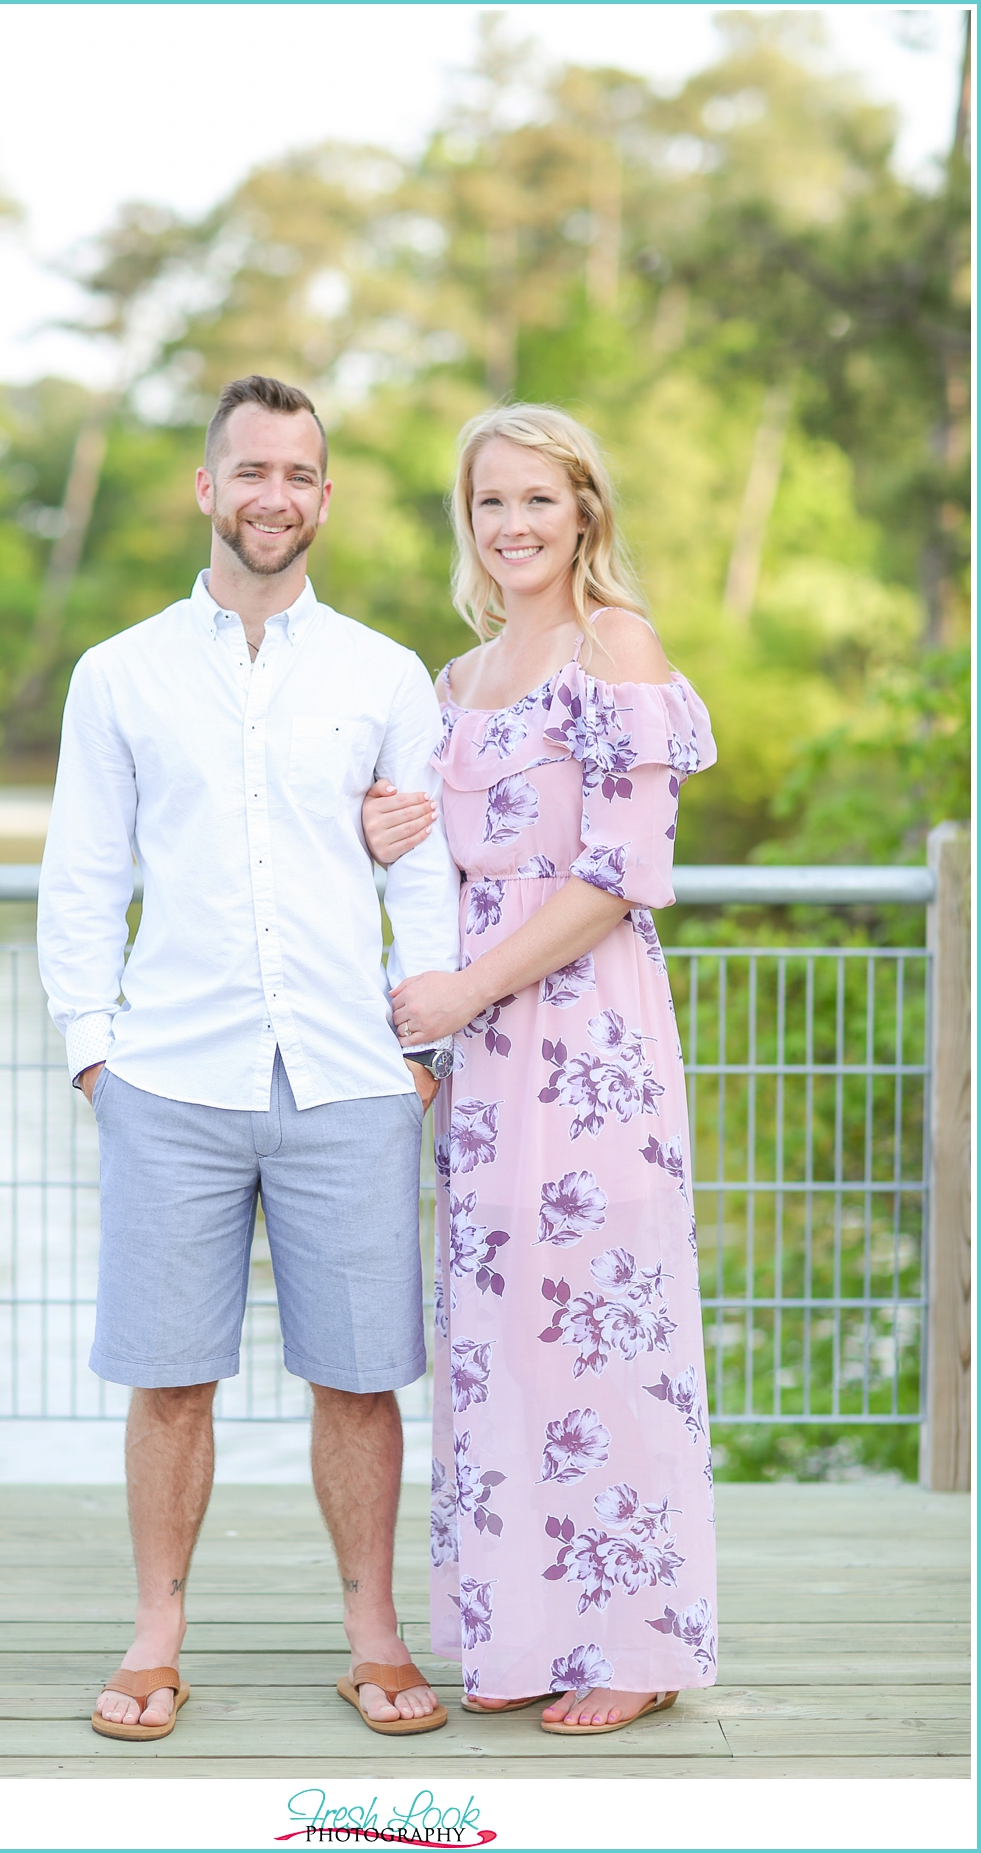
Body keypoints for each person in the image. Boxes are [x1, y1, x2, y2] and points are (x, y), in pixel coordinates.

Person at [37, 374, 460, 1741]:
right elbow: (83, 873)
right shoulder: (121, 673)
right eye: (251, 470)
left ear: (324, 498)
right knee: (170, 1376)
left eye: (300, 473)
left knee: (360, 1374)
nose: (275, 494)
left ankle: (376, 1638)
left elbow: (427, 868)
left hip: (350, 1075)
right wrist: (95, 1052)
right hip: (172, 1079)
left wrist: (423, 1035)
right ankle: (156, 1635)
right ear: (207, 490)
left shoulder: (384, 675)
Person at [361, 403, 718, 1736]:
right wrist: (385, 825)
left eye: (536, 498)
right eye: (489, 501)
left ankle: (638, 1642)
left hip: (591, 1049)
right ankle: (524, 1627)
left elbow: (629, 874)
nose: (512, 523)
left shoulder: (612, 647)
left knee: (611, 1330)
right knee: (501, 1340)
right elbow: (435, 874)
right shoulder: (452, 685)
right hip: (485, 1067)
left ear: (585, 510)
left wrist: (462, 990)